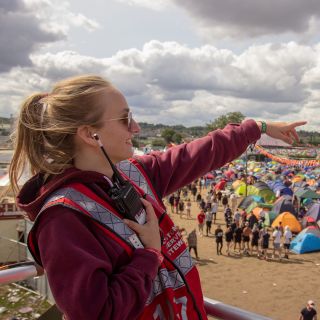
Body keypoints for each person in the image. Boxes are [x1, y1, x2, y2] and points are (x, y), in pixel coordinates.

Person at [9, 74, 306, 319]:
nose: (136, 128)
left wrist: (259, 128)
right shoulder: (63, 218)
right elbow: (97, 313)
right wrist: (150, 254)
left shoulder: (136, 174)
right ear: (90, 135)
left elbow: (199, 153)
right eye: (125, 119)